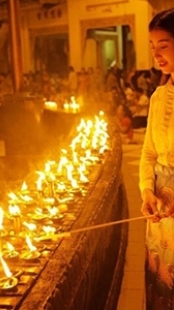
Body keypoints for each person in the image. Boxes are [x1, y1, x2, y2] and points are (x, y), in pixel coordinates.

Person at [140, 8, 174, 310]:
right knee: (162, 287)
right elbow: (150, 152)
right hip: (162, 213)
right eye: (153, 47)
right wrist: (147, 192)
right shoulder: (159, 97)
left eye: (163, 45)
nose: (156, 55)